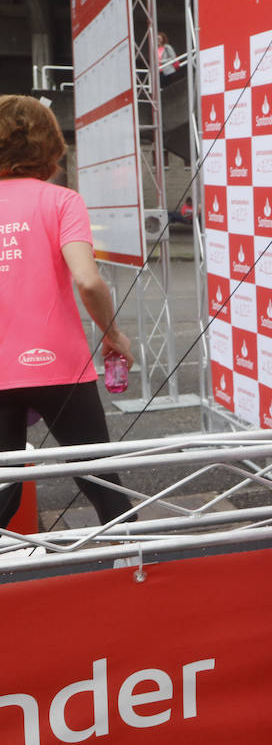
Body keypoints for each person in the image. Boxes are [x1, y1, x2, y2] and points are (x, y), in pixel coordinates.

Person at [0, 95, 135, 528]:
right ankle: (136, 572)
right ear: (49, 145)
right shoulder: (61, 201)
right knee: (101, 482)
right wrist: (114, 335)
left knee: (3, 490)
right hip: (59, 364)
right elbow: (89, 280)